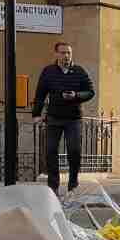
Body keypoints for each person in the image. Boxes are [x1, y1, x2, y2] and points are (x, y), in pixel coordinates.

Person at [31, 42, 95, 195]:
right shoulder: (48, 71)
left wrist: (76, 95)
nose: (66, 56)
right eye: (63, 53)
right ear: (56, 54)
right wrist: (36, 114)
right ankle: (53, 186)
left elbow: (90, 91)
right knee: (50, 150)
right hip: (54, 118)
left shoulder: (79, 71)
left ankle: (73, 183)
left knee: (74, 150)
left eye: (68, 53)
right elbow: (40, 94)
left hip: (74, 118)